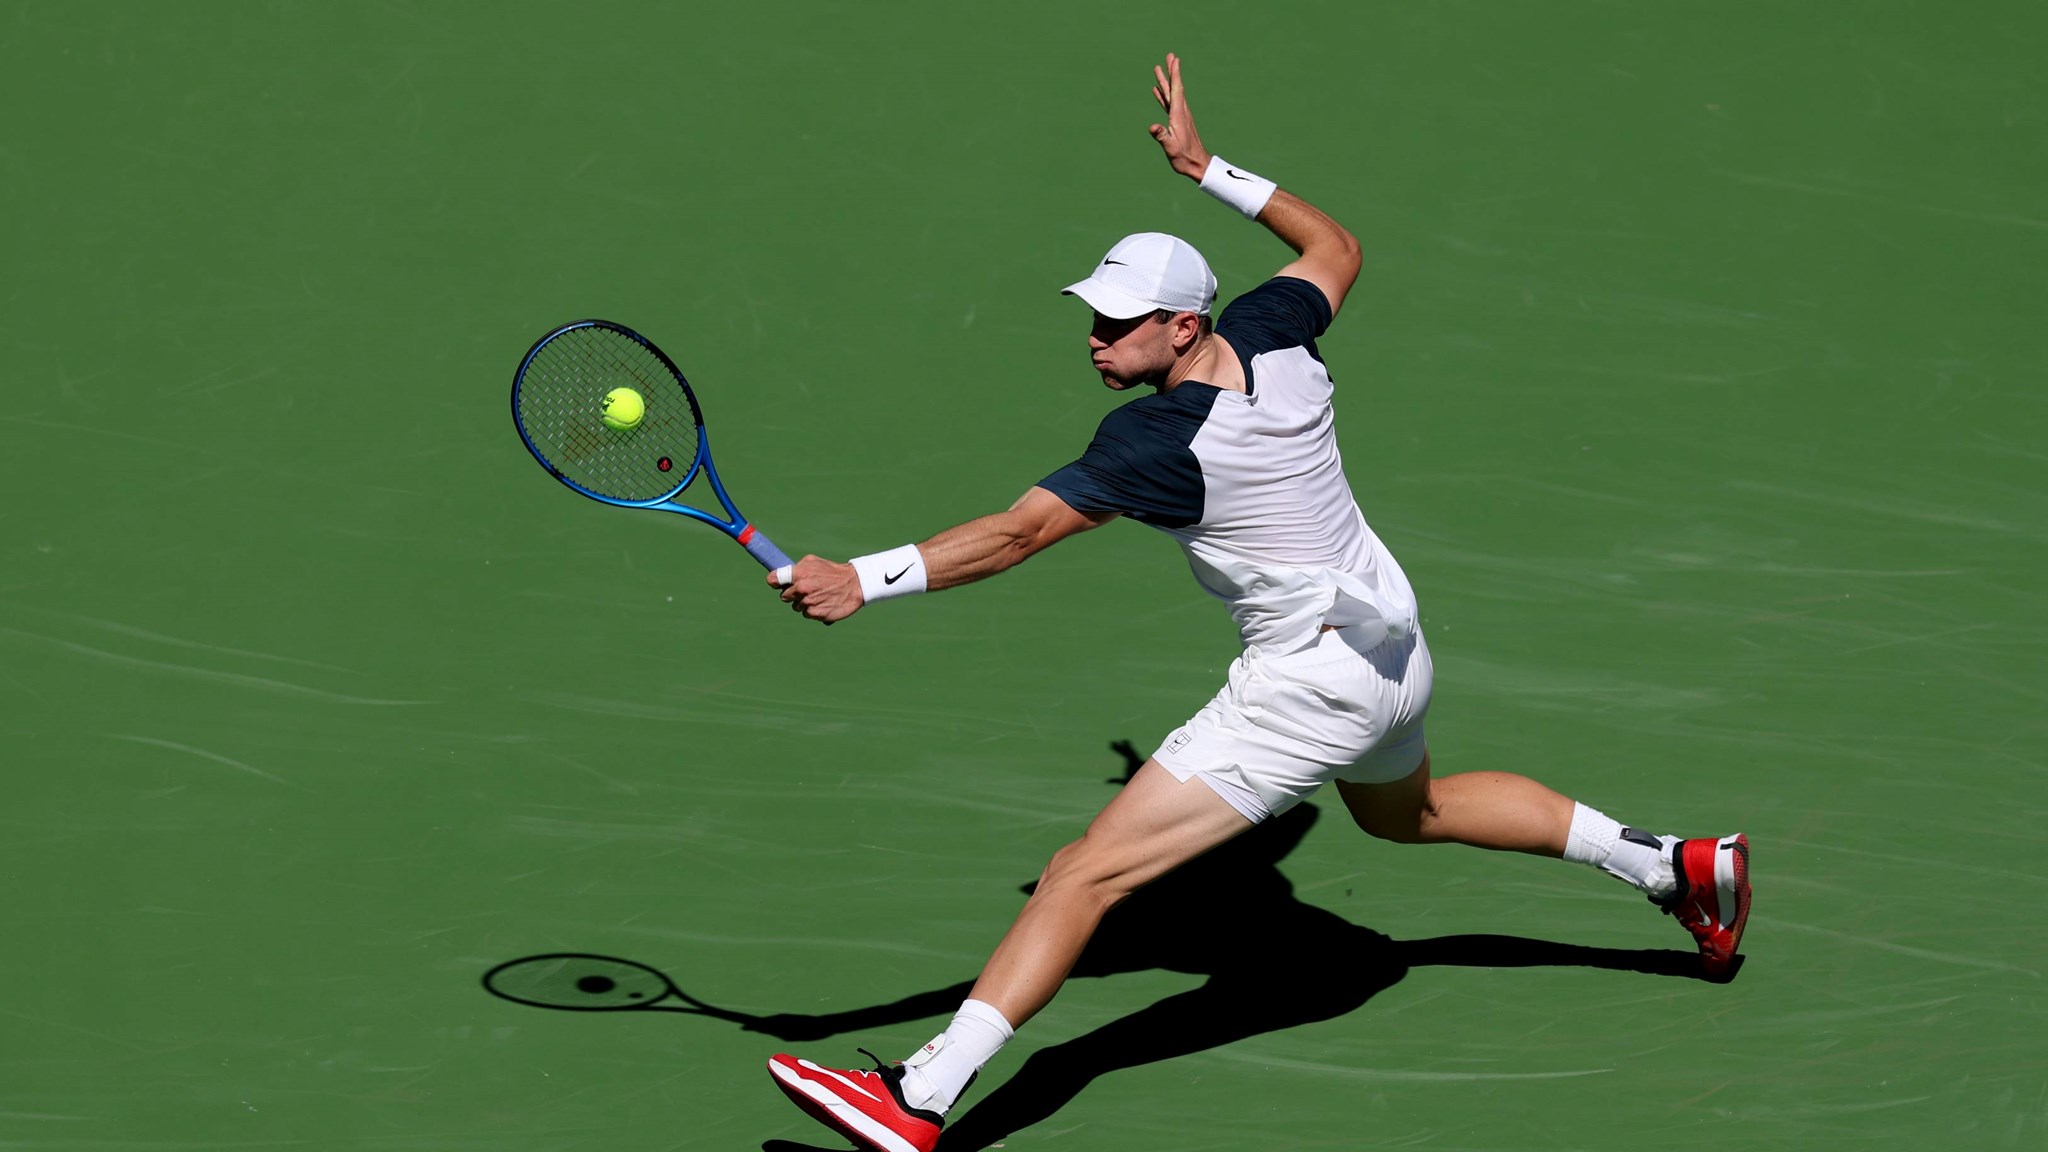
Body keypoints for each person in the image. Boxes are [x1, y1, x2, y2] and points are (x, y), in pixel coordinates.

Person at [764, 53, 1751, 1152]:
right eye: (1093, 316)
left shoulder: (1158, 442)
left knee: (1080, 876)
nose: (1095, 338)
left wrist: (867, 575)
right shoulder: (1275, 330)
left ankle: (918, 1096)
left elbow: (1018, 533)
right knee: (1403, 814)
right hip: (1388, 648)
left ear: (1181, 327)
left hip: (1305, 687)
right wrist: (1206, 169)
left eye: (1120, 323)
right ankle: (1665, 863)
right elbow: (1336, 248)